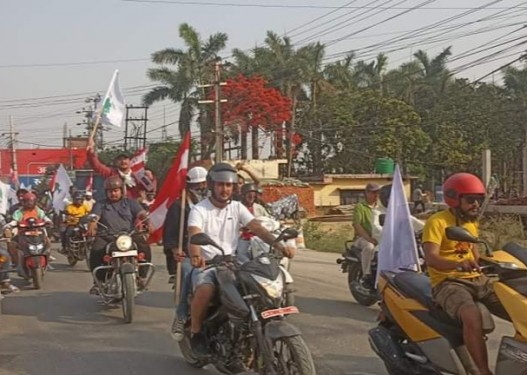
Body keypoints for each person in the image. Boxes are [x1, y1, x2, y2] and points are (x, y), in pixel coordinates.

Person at [187, 163, 295, 358]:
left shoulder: (237, 207)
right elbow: (194, 233)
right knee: (205, 289)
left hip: (233, 262)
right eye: (220, 185)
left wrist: (279, 245)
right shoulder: (199, 209)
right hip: (209, 264)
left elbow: (257, 227)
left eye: (229, 185)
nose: (225, 189)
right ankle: (196, 333)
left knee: (257, 286)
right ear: (211, 185)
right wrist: (196, 256)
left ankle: (247, 331)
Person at [422, 172, 510, 375]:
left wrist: (498, 262)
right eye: (471, 200)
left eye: (479, 200)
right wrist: (458, 264)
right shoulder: (437, 222)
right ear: (454, 198)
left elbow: (475, 255)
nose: (476, 205)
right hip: (448, 282)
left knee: (516, 301)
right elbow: (431, 258)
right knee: (471, 315)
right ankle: (481, 370)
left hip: (478, 280)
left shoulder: (471, 223)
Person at [163, 166, 208, 341]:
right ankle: (181, 316)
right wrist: (176, 250)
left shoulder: (213, 205)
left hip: (214, 253)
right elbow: (171, 233)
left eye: (204, 185)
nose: (201, 189)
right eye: (197, 186)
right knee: (190, 274)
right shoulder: (179, 206)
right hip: (189, 254)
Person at [86, 176, 152, 295]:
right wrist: (92, 223)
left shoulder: (130, 203)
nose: (113, 193)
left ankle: (141, 277)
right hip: (107, 236)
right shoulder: (101, 204)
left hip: (128, 235)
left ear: (122, 190)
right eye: (110, 191)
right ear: (106, 192)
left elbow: (141, 213)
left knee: (144, 246)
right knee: (96, 250)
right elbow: (95, 216)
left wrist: (147, 221)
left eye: (116, 190)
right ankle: (98, 282)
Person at [86, 138, 152, 200]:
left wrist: (150, 178)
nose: (123, 161)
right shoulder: (111, 173)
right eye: (120, 159)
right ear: (116, 162)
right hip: (116, 206)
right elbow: (97, 166)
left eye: (125, 159)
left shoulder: (137, 174)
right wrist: (91, 151)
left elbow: (150, 188)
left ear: (130, 160)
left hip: (134, 207)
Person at [6, 192, 53, 278]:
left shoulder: (38, 210)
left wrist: (48, 221)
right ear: (23, 202)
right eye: (27, 201)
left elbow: (44, 217)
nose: (29, 203)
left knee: (48, 242)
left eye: (31, 201)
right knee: (12, 244)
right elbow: (14, 221)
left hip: (37, 232)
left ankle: (47, 259)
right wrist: (10, 225)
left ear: (35, 202)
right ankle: (16, 262)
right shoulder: (19, 212)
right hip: (23, 234)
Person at [352, 183, 381, 290]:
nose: (376, 195)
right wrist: (369, 238)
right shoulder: (360, 207)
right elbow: (357, 225)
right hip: (362, 238)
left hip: (379, 238)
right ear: (367, 193)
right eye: (373, 192)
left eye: (378, 192)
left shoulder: (381, 207)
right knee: (369, 247)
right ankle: (366, 276)